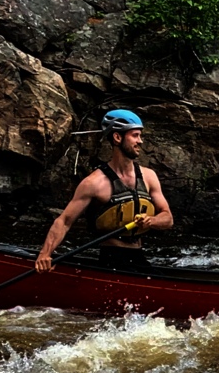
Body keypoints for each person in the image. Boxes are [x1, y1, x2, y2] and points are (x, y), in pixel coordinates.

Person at [35, 109, 174, 272]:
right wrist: (45, 254)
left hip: (138, 255)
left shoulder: (149, 176)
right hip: (111, 259)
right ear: (117, 137)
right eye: (135, 135)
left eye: (140, 136)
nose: (140, 141)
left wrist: (151, 221)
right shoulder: (94, 183)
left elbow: (168, 218)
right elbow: (64, 221)